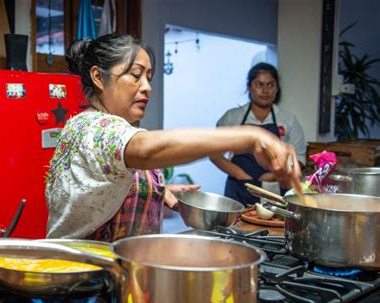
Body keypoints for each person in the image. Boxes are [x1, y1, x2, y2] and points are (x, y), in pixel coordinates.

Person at [45, 35, 301, 242]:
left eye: (149, 77)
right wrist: (248, 136)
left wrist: (156, 191)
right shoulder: (93, 127)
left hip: (119, 277)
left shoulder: (117, 129)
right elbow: (145, 150)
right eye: (135, 75)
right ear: (99, 77)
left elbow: (100, 183)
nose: (147, 86)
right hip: (83, 283)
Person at [210, 62, 306, 206]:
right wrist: (239, 174)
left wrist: (276, 175)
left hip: (275, 190)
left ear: (277, 88)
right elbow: (214, 153)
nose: (265, 90)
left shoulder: (288, 119)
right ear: (249, 87)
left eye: (270, 85)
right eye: (259, 85)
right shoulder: (232, 117)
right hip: (239, 189)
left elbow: (298, 158)